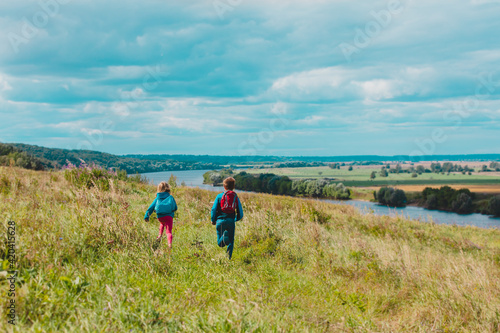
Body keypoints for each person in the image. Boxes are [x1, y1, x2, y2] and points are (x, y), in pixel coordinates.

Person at [211, 177, 244, 259]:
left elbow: (213, 209)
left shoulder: (219, 196)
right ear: (233, 187)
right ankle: (228, 258)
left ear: (224, 186)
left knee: (220, 243)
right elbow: (240, 211)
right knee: (231, 241)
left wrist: (213, 220)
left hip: (220, 221)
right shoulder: (235, 197)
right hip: (231, 221)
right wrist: (236, 219)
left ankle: (222, 238)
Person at [144, 181, 178, 248]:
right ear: (168, 188)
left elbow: (151, 207)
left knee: (162, 223)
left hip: (160, 217)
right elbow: (175, 208)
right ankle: (169, 245)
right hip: (168, 217)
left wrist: (147, 215)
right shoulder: (170, 197)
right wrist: (171, 211)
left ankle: (159, 236)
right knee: (168, 232)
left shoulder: (157, 198)